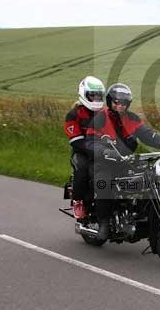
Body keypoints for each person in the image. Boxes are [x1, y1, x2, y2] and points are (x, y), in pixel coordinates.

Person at [82, 82, 160, 240]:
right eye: (117, 102)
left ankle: (142, 217)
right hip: (103, 162)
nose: (121, 106)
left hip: (125, 161)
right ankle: (103, 224)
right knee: (104, 183)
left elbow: (147, 134)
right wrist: (104, 151)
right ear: (110, 102)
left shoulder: (132, 118)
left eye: (124, 103)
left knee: (148, 179)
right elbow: (89, 141)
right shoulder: (100, 117)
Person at [63, 76, 106, 220]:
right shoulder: (74, 114)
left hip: (102, 152)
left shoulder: (104, 114)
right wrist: (94, 150)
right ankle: (78, 201)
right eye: (92, 95)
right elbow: (76, 141)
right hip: (82, 153)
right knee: (82, 169)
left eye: (98, 96)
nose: (95, 99)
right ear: (84, 94)